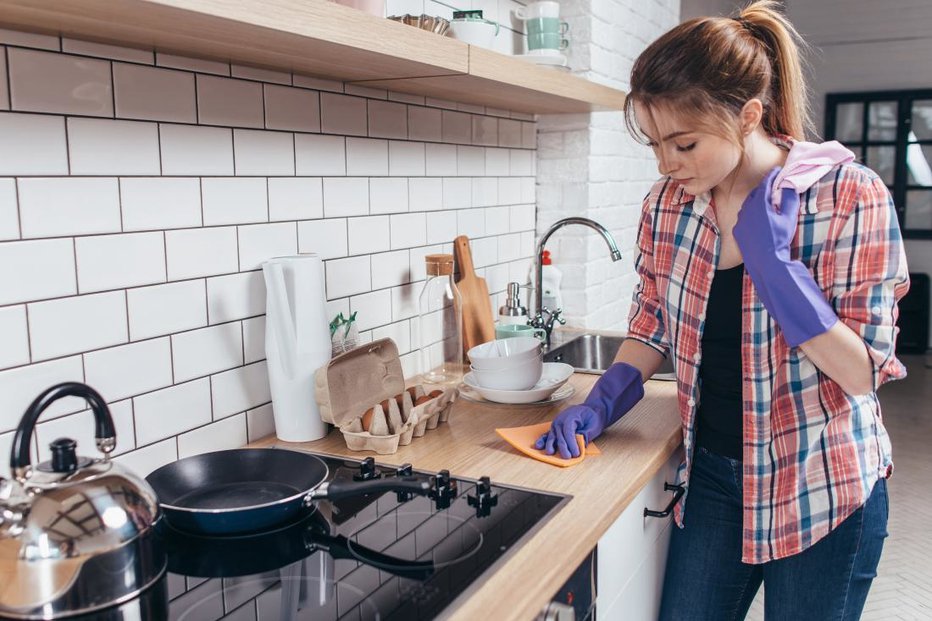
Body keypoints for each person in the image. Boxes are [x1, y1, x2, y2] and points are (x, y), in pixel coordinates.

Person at [535, 1, 910, 619]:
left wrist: (775, 266)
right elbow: (652, 321)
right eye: (655, 144)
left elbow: (863, 372)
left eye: (684, 143)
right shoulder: (669, 203)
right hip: (712, 481)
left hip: (822, 486)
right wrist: (599, 403)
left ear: (749, 115)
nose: (665, 163)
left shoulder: (849, 196)